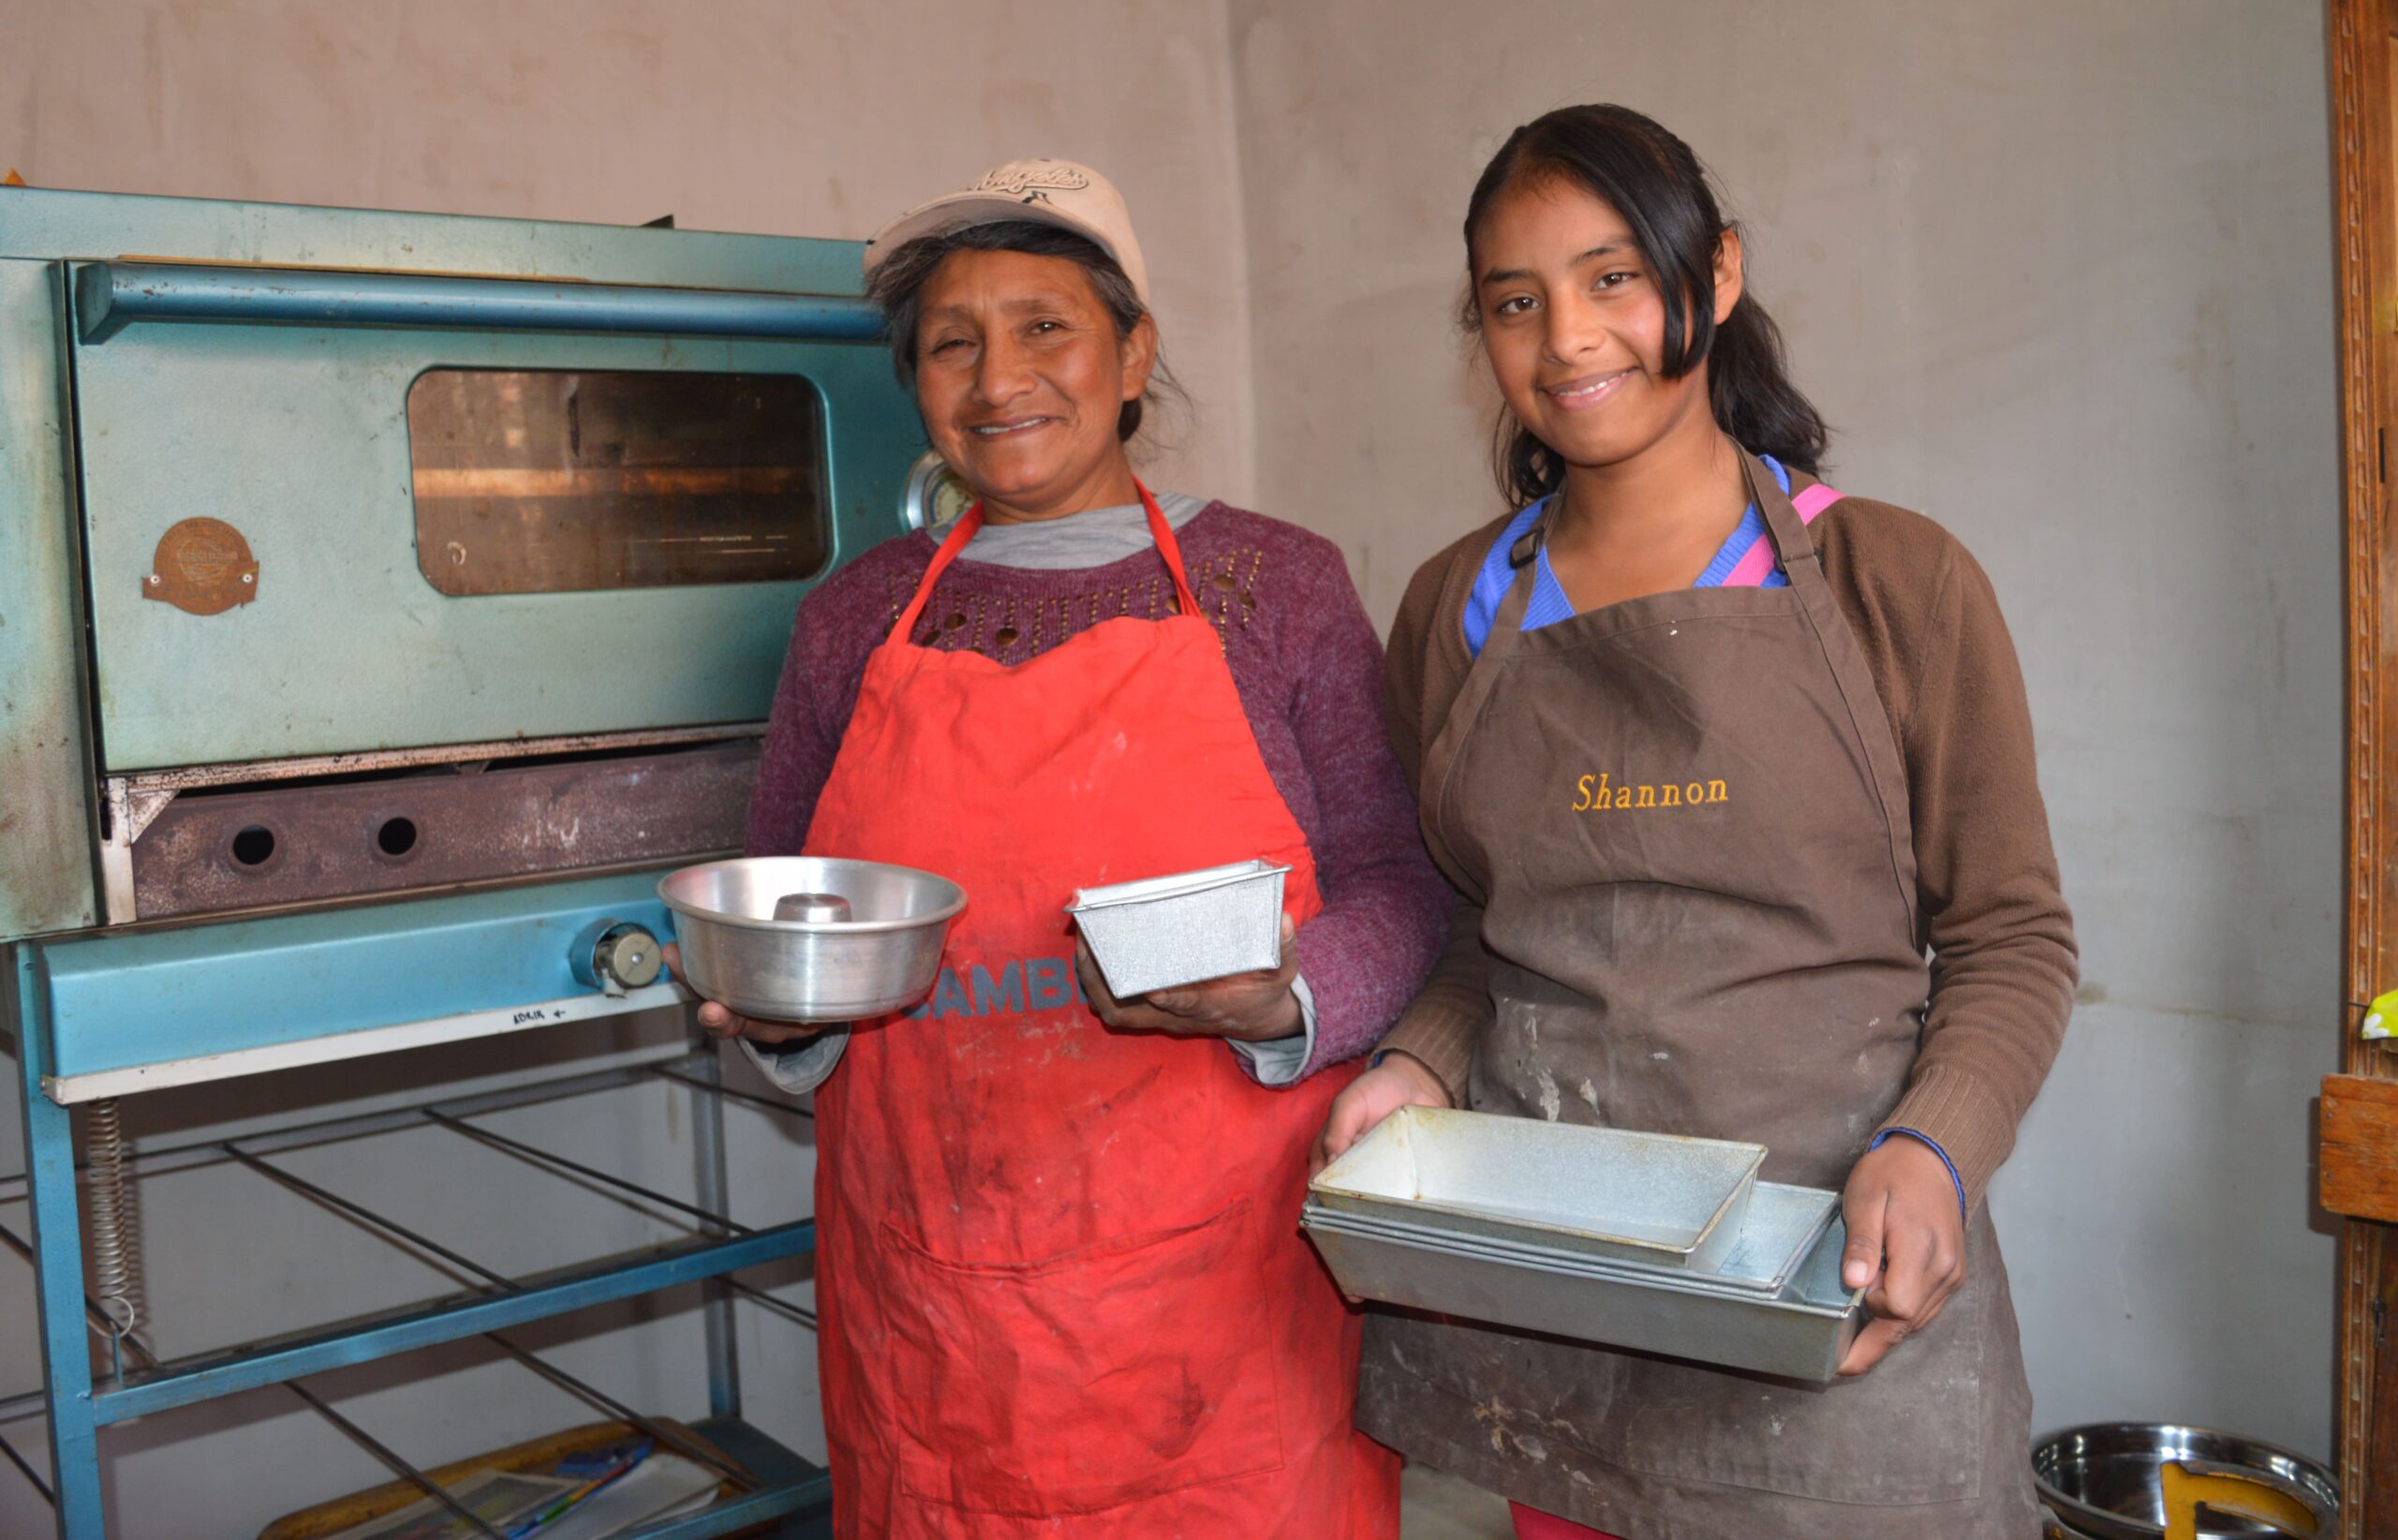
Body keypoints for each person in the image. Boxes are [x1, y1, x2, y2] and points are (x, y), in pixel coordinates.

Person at [1313, 106, 2077, 1539]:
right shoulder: (1458, 606)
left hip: (1833, 1300)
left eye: (1612, 279)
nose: (1567, 340)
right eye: (1514, 301)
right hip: (1560, 1312)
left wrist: (1937, 1148)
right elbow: (1481, 931)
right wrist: (1414, 1065)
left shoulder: (1892, 580)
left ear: (1715, 275)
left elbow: (2011, 938)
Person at [690, 158, 1444, 1538]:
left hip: (1225, 1315)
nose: (998, 378)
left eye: (1045, 324)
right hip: (937, 1313)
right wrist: (783, 1016)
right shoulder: (855, 620)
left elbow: (1406, 889)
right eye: (951, 341)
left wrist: (1287, 998)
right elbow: (790, 910)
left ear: (1132, 348)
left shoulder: (1279, 587)